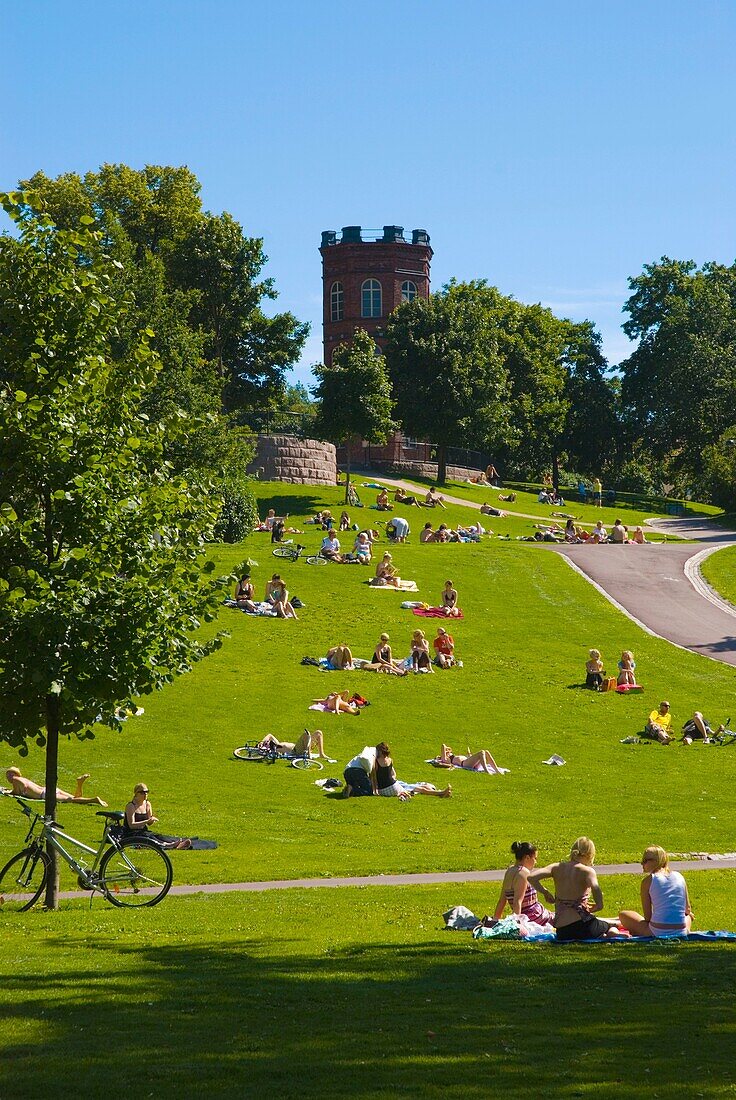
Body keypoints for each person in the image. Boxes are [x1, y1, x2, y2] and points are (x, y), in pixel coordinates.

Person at [528, 837, 621, 941]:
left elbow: (532, 877)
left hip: (562, 931)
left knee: (600, 924)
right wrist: (599, 905)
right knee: (611, 927)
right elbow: (595, 887)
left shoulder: (556, 867)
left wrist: (545, 892)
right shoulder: (587, 871)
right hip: (583, 927)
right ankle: (613, 934)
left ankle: (604, 933)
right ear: (589, 855)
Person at [618, 846, 693, 937]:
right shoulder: (679, 876)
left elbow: (648, 917)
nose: (642, 863)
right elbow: (688, 909)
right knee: (688, 916)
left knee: (623, 915)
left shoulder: (648, 881)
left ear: (656, 861)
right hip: (681, 931)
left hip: (656, 932)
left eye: (645, 860)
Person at [493, 841, 554, 926]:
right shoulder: (523, 873)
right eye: (535, 858)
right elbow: (517, 902)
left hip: (530, 916)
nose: (536, 862)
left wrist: (495, 920)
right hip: (532, 916)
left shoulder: (510, 871)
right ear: (527, 857)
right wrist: (517, 925)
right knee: (562, 918)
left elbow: (502, 901)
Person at [124, 783, 192, 850]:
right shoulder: (131, 806)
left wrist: (151, 820)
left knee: (158, 836)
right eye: (142, 792)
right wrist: (147, 821)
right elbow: (131, 826)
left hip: (143, 831)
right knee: (149, 838)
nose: (145, 794)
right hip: (132, 833)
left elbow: (149, 823)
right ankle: (169, 845)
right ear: (136, 794)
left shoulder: (147, 804)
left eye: (147, 792)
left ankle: (175, 844)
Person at [375, 743, 451, 800]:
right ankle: (441, 793)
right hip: (392, 787)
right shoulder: (390, 760)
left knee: (420, 787)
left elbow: (374, 777)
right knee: (420, 789)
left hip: (387, 787)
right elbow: (394, 774)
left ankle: (441, 793)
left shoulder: (376, 761)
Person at [5, 767, 107, 806]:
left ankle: (94, 800)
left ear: (11, 774)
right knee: (75, 798)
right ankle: (79, 783)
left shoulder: (15, 780)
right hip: (47, 789)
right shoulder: (22, 779)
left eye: (7, 775)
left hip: (44, 794)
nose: (7, 778)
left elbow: (16, 793)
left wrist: (7, 792)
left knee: (72, 800)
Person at [258, 728, 332, 761]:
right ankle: (308, 754)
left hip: (300, 747)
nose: (268, 742)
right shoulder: (275, 748)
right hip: (296, 751)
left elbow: (269, 735)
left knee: (318, 733)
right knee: (306, 735)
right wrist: (263, 746)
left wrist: (261, 742)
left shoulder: (277, 744)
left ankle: (321, 754)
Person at [434, 744, 506, 775]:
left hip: (469, 762)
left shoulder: (453, 756)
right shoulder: (446, 759)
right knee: (481, 752)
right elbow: (443, 745)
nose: (447, 751)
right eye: (446, 752)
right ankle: (487, 771)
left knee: (486, 752)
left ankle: (496, 770)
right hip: (464, 764)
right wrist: (446, 748)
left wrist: (469, 755)